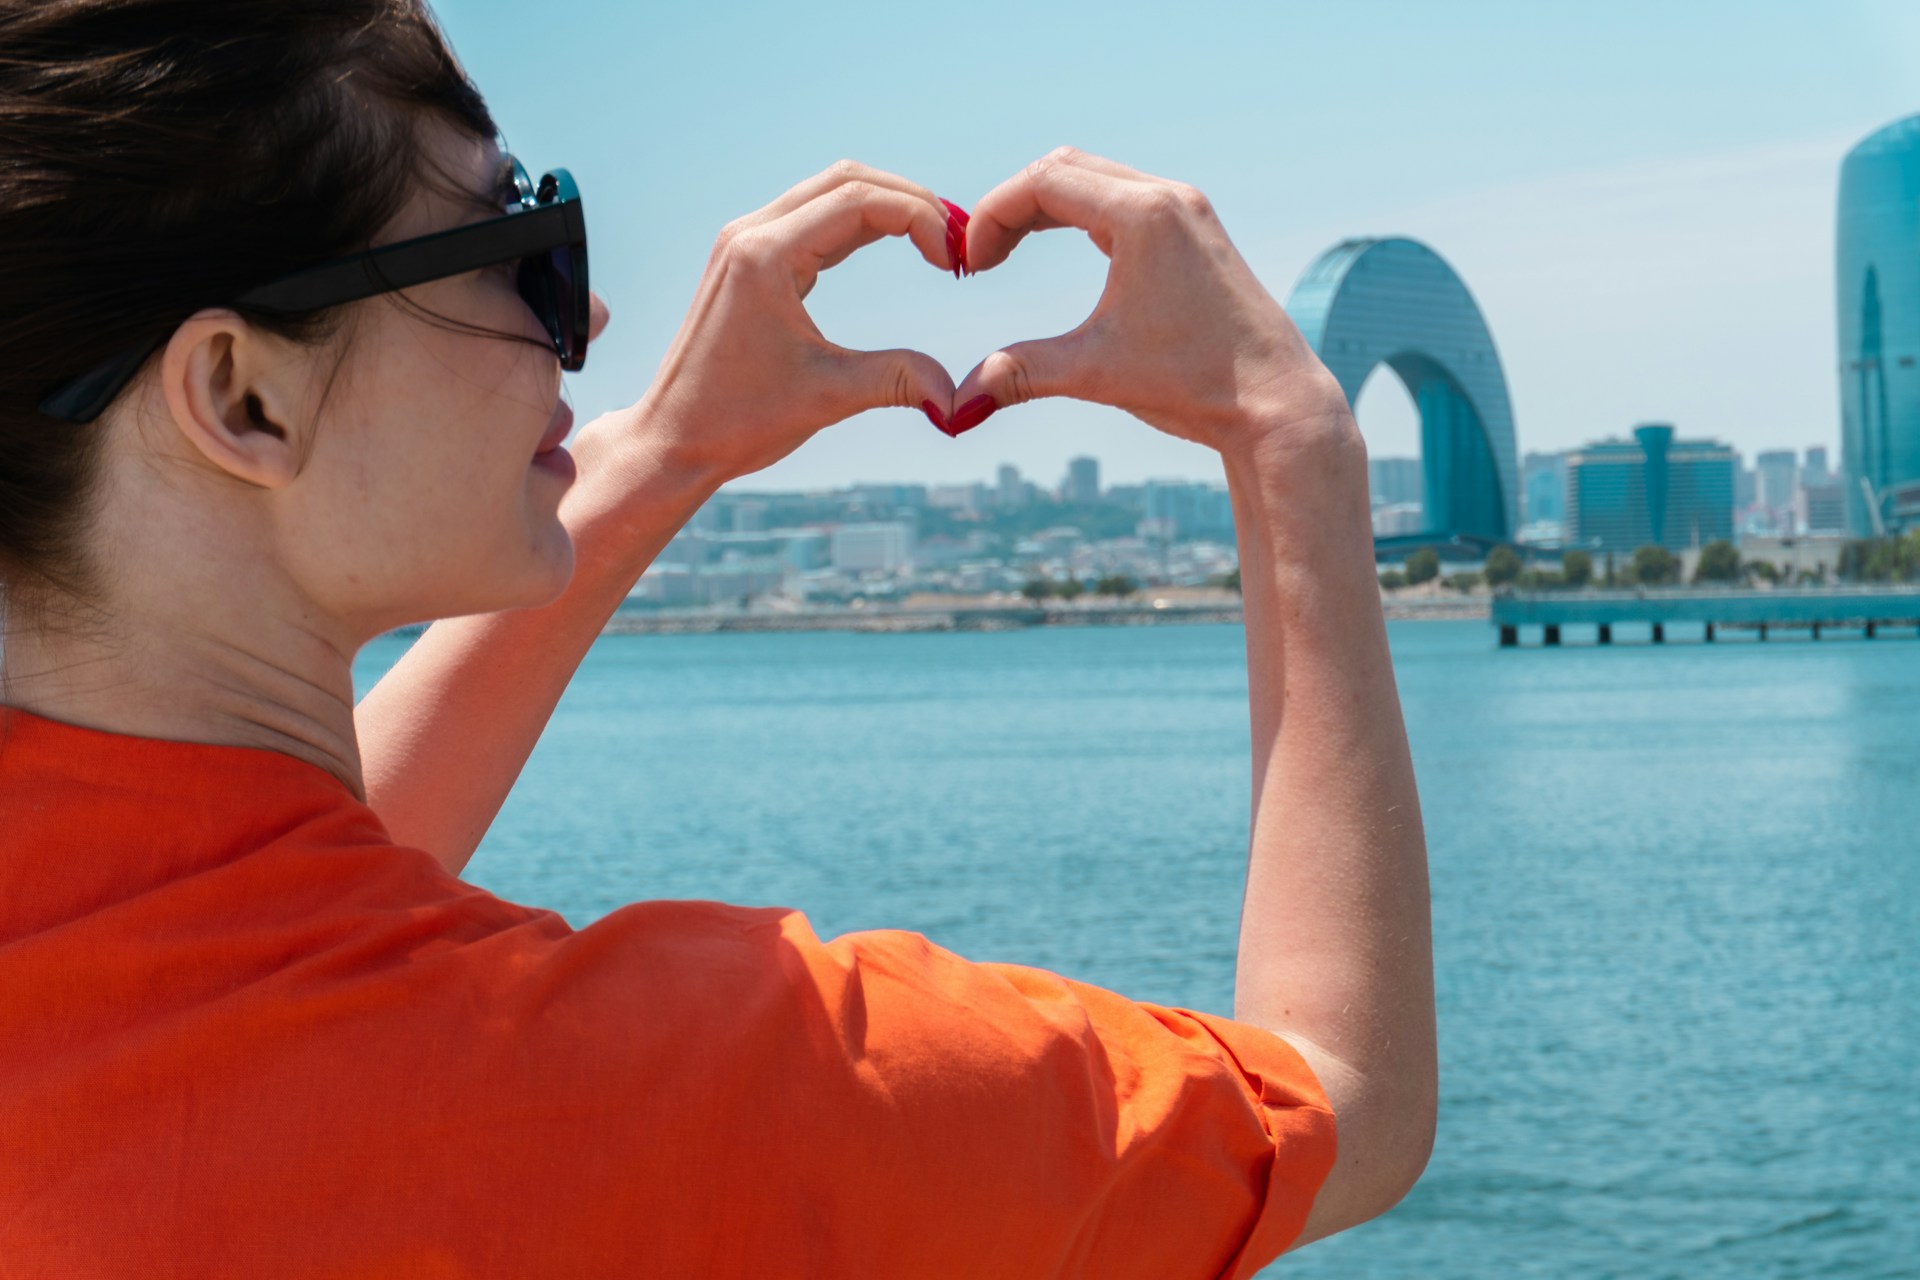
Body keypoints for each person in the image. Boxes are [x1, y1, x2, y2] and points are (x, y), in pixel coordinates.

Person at [0, 1, 1435, 1275]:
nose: (595, 311)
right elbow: (1336, 1104)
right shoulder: (686, 1096)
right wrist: (1289, 436)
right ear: (242, 398)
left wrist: (667, 450)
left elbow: (245, 905)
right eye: (520, 247)